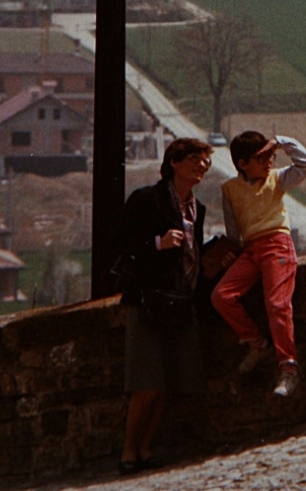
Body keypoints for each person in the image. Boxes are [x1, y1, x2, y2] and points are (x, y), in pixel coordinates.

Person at [117, 137, 213, 475]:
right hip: (150, 300)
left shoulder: (196, 210)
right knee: (147, 382)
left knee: (167, 382)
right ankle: (129, 451)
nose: (201, 167)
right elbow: (123, 244)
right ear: (174, 161)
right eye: (195, 161)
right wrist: (157, 243)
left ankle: (145, 448)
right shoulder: (147, 199)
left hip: (181, 301)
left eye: (205, 164)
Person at [211, 131, 306, 397]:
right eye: (261, 158)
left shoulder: (277, 179)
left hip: (277, 244)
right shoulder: (230, 189)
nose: (269, 161)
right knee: (221, 296)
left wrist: (281, 141)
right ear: (242, 164)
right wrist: (232, 252)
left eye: (271, 156)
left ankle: (288, 368)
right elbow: (233, 229)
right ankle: (256, 342)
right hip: (250, 250)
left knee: (277, 304)